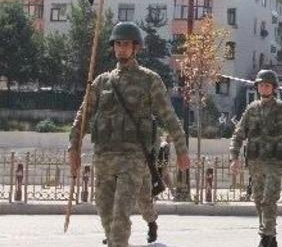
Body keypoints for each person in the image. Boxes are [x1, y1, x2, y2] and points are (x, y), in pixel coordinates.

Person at [68, 22, 190, 247]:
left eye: (126, 44)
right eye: (118, 44)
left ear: (136, 48)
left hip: (133, 159)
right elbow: (82, 117)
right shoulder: (101, 81)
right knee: (105, 211)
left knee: (120, 217)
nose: (121, 48)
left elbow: (169, 116)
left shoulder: (149, 79)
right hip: (104, 157)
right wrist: (73, 148)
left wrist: (182, 151)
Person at [230, 69, 282, 247]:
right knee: (258, 199)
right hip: (255, 161)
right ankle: (271, 236)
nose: (263, 87)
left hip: (275, 161)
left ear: (274, 88)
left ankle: (265, 237)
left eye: (267, 85)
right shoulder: (252, 109)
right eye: (261, 85)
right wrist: (234, 156)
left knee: (269, 199)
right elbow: (239, 133)